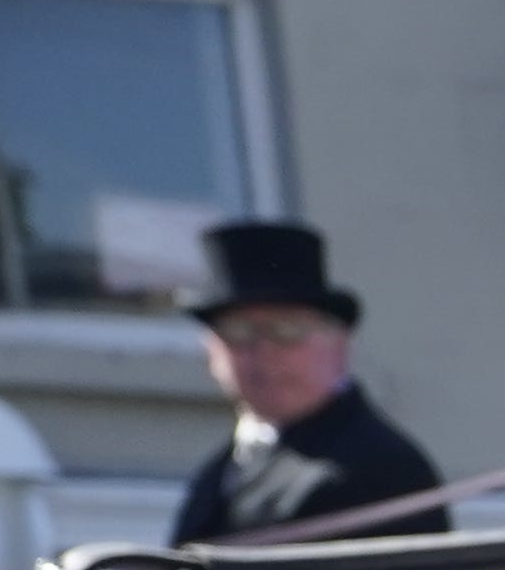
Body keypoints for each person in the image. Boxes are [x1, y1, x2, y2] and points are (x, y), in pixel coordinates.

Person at [166, 221, 445, 546]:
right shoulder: (223, 469)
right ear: (210, 350)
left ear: (339, 345)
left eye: (288, 332)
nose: (264, 352)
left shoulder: (381, 467)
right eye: (240, 332)